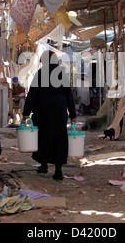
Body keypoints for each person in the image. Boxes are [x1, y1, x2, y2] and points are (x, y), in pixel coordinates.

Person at [22, 50, 77, 181]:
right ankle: (58, 171)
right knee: (59, 138)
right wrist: (73, 114)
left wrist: (26, 112)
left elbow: (32, 94)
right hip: (59, 111)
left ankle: (43, 165)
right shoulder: (62, 74)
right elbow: (69, 95)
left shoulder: (40, 73)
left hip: (42, 110)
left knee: (42, 137)